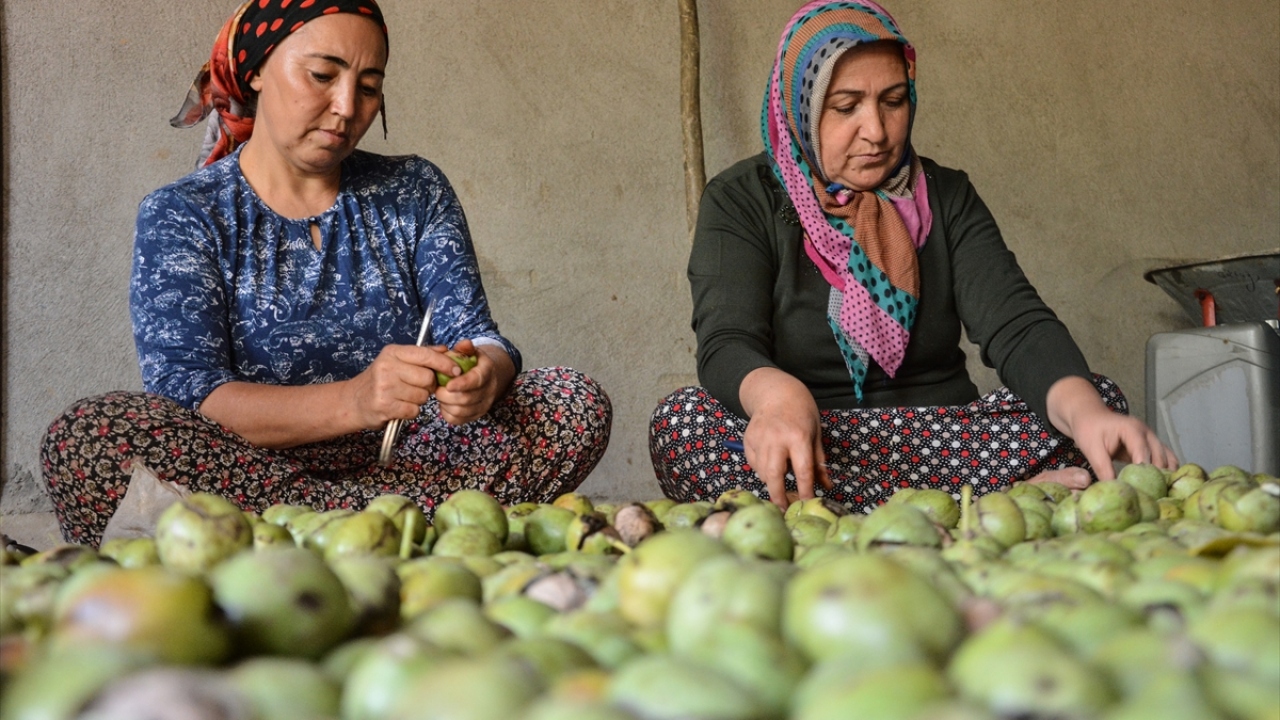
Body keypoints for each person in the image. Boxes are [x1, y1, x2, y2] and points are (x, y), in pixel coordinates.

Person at [42, 0, 611, 546]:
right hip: (247, 474)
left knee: (568, 401)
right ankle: (392, 527)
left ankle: (303, 535)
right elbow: (190, 396)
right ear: (257, 69)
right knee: (90, 438)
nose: (346, 107)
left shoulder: (414, 190)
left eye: (368, 88)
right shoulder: (185, 212)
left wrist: (486, 371)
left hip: (409, 459)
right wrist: (357, 400)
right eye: (321, 75)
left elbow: (477, 332)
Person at [650, 0, 1175, 513]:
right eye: (846, 106)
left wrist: (1086, 415)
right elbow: (726, 341)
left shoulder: (946, 195)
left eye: (894, 101)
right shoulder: (743, 198)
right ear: (799, 104)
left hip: (944, 438)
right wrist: (775, 399)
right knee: (684, 425)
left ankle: (856, 511)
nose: (876, 132)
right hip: (816, 442)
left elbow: (1016, 324)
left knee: (1093, 399)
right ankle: (982, 504)